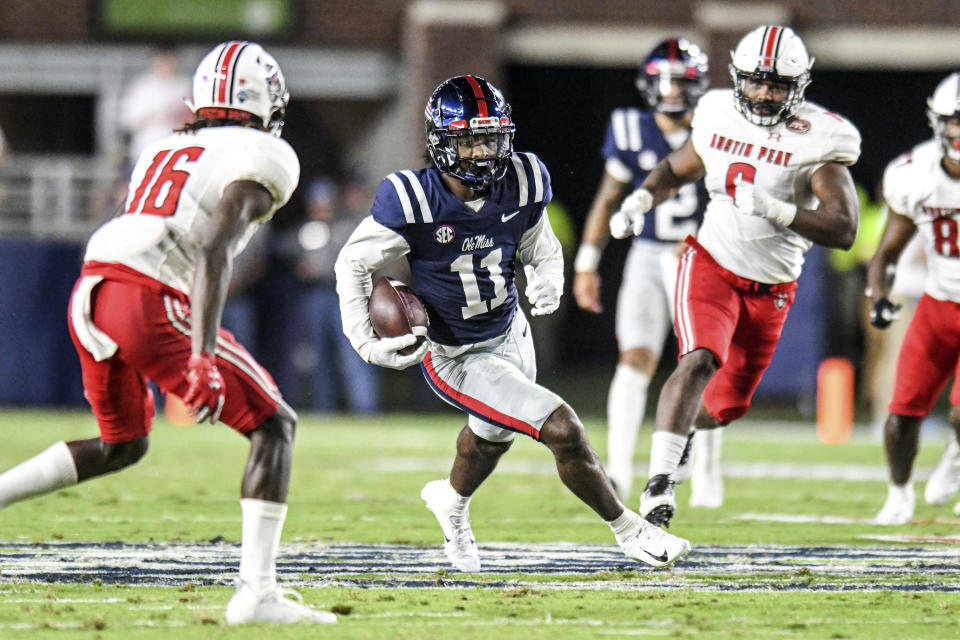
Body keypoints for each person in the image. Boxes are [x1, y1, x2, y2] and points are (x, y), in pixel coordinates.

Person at [0, 42, 335, 625]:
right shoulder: (267, 152)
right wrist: (202, 357)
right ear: (262, 101)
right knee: (274, 424)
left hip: (92, 288)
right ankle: (257, 595)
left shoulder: (165, 145)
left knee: (122, 444)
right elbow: (214, 242)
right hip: (148, 294)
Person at [335, 75, 690, 572]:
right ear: (440, 142)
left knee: (488, 438)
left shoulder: (522, 179)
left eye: (490, 138)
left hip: (510, 331)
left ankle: (451, 503)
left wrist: (550, 278)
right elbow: (352, 265)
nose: (481, 152)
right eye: (468, 140)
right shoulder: (412, 199)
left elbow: (540, 248)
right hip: (455, 353)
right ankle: (630, 531)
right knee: (562, 428)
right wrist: (364, 340)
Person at [613, 25, 861, 528]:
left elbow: (844, 228)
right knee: (699, 358)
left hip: (772, 288)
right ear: (737, 79)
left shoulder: (820, 136)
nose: (764, 94)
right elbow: (677, 167)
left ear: (799, 86)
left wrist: (778, 209)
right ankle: (659, 484)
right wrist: (641, 198)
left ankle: (682, 438)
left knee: (725, 407)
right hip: (710, 261)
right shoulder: (716, 112)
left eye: (776, 85)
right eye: (754, 82)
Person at [572, 37, 723, 508]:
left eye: (680, 80)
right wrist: (586, 264)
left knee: (702, 364)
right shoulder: (629, 128)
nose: (671, 90)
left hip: (703, 259)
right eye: (663, 80)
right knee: (634, 358)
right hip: (646, 255)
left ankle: (707, 471)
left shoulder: (718, 128)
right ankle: (616, 469)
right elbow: (607, 197)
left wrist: (708, 241)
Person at [867, 71, 960, 525]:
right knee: (902, 411)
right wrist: (880, 294)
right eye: (955, 121)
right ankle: (899, 494)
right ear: (937, 123)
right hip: (938, 304)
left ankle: (957, 453)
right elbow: (887, 251)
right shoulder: (914, 172)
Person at [292, 176, 381, 412]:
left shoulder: (347, 226)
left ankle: (365, 409)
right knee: (319, 356)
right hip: (315, 295)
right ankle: (325, 409)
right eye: (316, 203)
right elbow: (286, 249)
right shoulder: (307, 229)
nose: (320, 207)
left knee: (353, 353)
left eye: (324, 202)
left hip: (345, 297)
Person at [118, 46, 193, 169]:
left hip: (177, 151)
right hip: (146, 148)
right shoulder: (142, 87)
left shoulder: (183, 85)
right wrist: (158, 115)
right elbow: (129, 121)